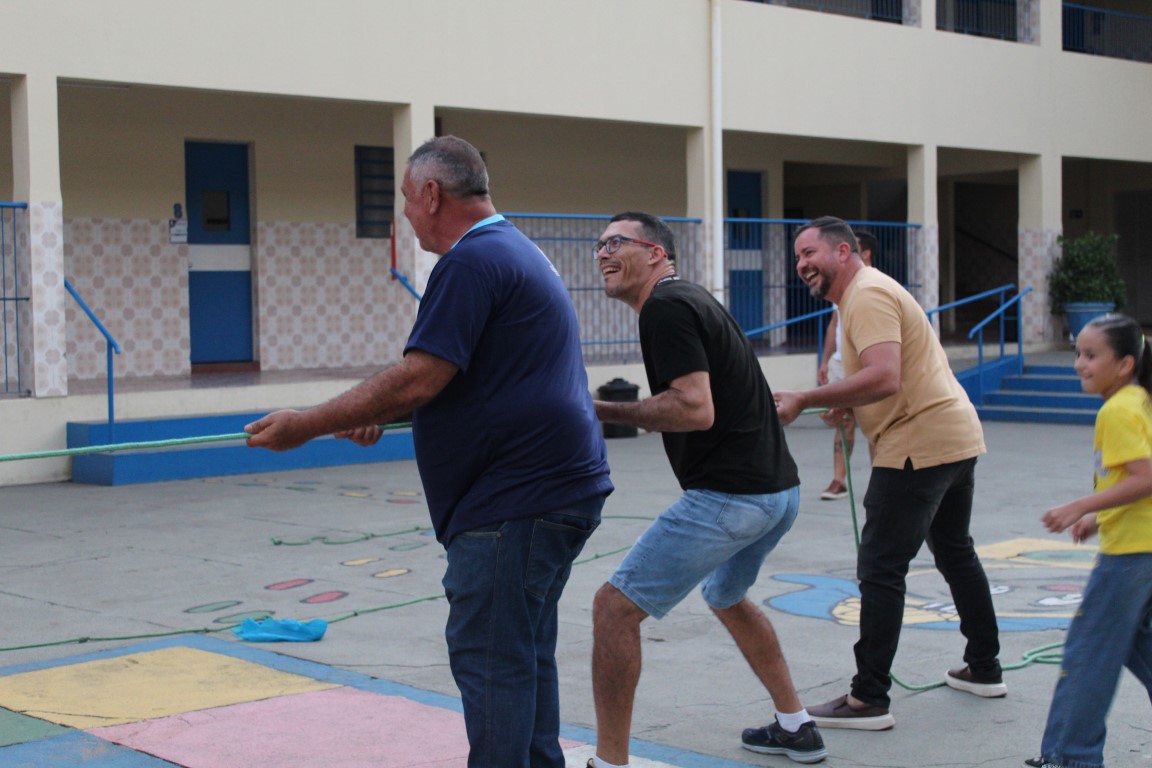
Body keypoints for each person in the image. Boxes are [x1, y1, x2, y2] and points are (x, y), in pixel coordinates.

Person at [245, 135, 614, 768]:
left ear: (433, 194)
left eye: (407, 200)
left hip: (513, 500)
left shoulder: (471, 261)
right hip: (557, 490)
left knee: (493, 662)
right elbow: (473, 376)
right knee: (521, 654)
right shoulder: (518, 250)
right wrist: (376, 413)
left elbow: (422, 375)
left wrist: (306, 424)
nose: (406, 216)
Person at [588, 211, 826, 766]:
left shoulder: (666, 307)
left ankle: (609, 762)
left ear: (656, 253)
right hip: (779, 493)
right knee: (725, 595)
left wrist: (593, 410)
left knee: (612, 609)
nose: (602, 253)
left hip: (732, 498)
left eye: (616, 242)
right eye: (598, 245)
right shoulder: (691, 298)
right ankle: (796, 726)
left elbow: (694, 409)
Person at [773, 216, 1004, 731]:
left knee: (881, 569)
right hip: (952, 435)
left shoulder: (867, 294)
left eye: (810, 253)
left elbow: (884, 375)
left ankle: (868, 697)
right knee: (955, 552)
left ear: (844, 251)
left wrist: (807, 397)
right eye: (797, 257)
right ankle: (984, 667)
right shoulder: (864, 294)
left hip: (916, 443)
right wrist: (846, 403)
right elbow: (886, 377)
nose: (802, 264)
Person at [1025, 314, 1152, 768]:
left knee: (1088, 653)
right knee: (1137, 646)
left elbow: (1145, 478)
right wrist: (1099, 517)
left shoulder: (1117, 410)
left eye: (1091, 355)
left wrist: (1081, 506)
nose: (1079, 363)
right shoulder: (1139, 400)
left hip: (1130, 556)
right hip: (1141, 549)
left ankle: (1070, 756)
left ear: (1125, 364)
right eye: (1078, 353)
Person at [816, 229, 877, 501]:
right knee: (843, 421)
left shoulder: (874, 286)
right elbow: (834, 325)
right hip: (841, 364)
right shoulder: (843, 287)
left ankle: (880, 481)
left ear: (866, 253)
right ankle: (839, 480)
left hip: (867, 367)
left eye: (852, 248)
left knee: (876, 425)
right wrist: (825, 360)